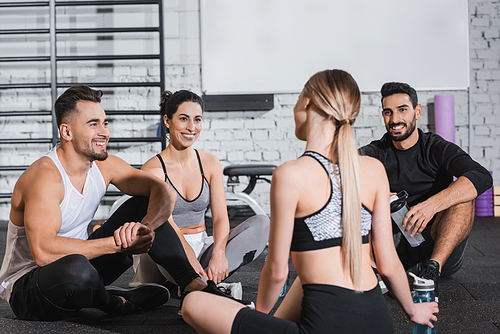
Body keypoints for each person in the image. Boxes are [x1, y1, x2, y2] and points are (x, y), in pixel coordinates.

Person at [181, 70, 438, 333]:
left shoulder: (291, 174)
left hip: (323, 325)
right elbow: (388, 263)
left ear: (306, 102)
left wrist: (260, 319)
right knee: (307, 277)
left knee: (193, 303)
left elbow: (277, 271)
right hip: (377, 322)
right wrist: (412, 310)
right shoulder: (373, 169)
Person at [0, 85, 229, 321]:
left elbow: (163, 191)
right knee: (77, 268)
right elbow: (44, 253)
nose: (104, 132)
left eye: (105, 123)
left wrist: (145, 228)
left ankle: (193, 286)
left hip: (84, 270)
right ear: (66, 132)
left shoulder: (105, 165)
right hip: (29, 289)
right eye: (93, 124)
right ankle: (114, 302)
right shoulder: (45, 177)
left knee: (141, 203)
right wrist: (122, 244)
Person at [359, 82, 493, 300]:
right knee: (351, 194)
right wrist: (375, 195)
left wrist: (431, 206)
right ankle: (374, 271)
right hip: (391, 251)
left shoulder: (435, 147)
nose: (394, 119)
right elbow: (336, 174)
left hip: (439, 247)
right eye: (388, 112)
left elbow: (481, 176)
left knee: (462, 195)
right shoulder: (375, 152)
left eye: (402, 110)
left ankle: (431, 273)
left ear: (417, 112)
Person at [127, 89, 269, 290]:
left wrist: (219, 253)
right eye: (184, 119)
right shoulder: (153, 169)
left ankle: (201, 283)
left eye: (197, 119)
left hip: (202, 246)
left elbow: (220, 217)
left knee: (262, 223)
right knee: (171, 247)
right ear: (167, 121)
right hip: (167, 253)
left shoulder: (210, 163)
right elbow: (164, 223)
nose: (191, 127)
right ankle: (202, 286)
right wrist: (189, 256)